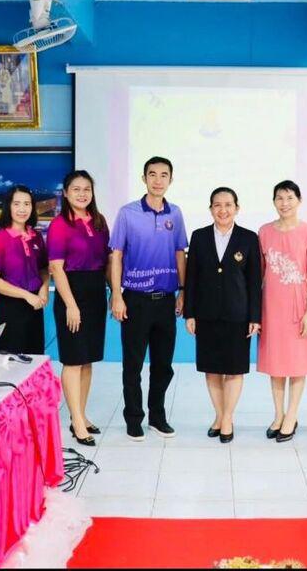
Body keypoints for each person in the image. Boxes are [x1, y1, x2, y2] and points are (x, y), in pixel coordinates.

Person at [110, 156, 187, 441]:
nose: (158, 180)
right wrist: (117, 295)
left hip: (165, 300)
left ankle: (157, 416)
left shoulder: (175, 214)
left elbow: (180, 253)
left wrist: (183, 291)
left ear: (171, 179)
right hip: (135, 299)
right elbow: (116, 255)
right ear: (144, 178)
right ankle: (134, 418)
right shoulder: (127, 213)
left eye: (164, 175)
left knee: (163, 365)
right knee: (133, 364)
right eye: (152, 174)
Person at [184, 187, 262, 444]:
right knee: (212, 370)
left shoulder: (248, 238)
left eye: (228, 204)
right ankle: (219, 416)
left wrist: (255, 317)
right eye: (217, 205)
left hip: (238, 315)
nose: (223, 210)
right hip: (206, 314)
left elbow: (254, 282)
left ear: (237, 208)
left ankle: (227, 418)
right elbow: (192, 278)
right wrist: (190, 313)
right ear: (210, 209)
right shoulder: (199, 237)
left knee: (234, 370)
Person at [258, 180, 307, 443]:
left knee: (297, 364)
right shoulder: (264, 231)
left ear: (299, 200)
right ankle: (278, 415)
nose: (284, 203)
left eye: (289, 198)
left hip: (298, 306)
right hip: (271, 306)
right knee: (275, 364)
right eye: (279, 198)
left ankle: (292, 415)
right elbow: (259, 273)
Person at [48, 171, 111, 447]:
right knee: (73, 360)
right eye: (76, 189)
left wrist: (115, 292)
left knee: (87, 360)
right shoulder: (60, 224)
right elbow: (56, 268)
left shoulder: (99, 221)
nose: (82, 194)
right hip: (71, 293)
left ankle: (81, 415)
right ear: (65, 193)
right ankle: (75, 420)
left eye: (87, 189)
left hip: (96, 292)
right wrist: (71, 305)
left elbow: (108, 261)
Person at [0, 185, 49, 355]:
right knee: (10, 361)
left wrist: (44, 289)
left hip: (35, 307)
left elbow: (43, 269)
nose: (22, 209)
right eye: (17, 204)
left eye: (27, 204)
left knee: (35, 358)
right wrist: (26, 295)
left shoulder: (36, 236)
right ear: (9, 206)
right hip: (10, 308)